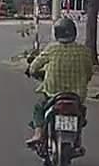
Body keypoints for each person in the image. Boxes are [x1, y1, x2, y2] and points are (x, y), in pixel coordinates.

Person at [25, 16, 94, 147]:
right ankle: (78, 133)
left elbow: (33, 68)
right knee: (81, 110)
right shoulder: (84, 51)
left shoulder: (52, 49)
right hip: (77, 95)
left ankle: (38, 133)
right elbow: (89, 72)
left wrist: (32, 72)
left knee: (39, 107)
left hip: (53, 93)